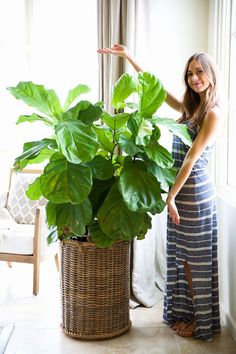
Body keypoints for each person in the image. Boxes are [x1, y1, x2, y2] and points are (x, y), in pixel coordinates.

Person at [97, 44, 221, 341]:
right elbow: (160, 90)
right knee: (183, 258)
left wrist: (171, 196)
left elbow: (191, 157)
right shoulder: (193, 108)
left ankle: (200, 322)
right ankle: (189, 315)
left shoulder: (213, 114)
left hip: (194, 196)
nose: (194, 78)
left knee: (196, 262)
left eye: (199, 72)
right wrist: (129, 57)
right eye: (190, 73)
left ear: (211, 74)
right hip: (181, 193)